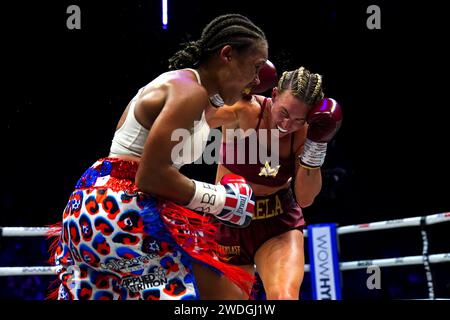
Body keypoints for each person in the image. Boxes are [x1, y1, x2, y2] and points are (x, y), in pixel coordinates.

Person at [47, 13, 269, 300]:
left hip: (92, 209)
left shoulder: (183, 88)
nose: (256, 79)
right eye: (255, 66)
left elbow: (239, 112)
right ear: (227, 54)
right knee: (223, 295)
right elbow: (151, 176)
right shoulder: (190, 92)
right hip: (127, 213)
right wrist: (221, 199)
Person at [204, 64, 343, 299]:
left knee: (284, 296)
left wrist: (317, 145)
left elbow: (306, 199)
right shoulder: (244, 109)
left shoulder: (304, 135)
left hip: (278, 223)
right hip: (227, 222)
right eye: (285, 113)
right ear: (275, 95)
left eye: (299, 119)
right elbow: (195, 116)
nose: (287, 125)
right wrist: (230, 88)